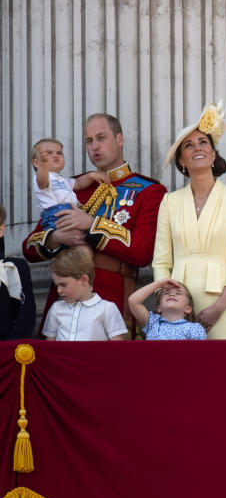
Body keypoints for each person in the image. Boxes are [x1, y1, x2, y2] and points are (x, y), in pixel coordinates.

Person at [23, 113, 167, 335]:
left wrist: (92, 225)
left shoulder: (149, 190)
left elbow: (143, 252)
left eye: (101, 138)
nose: (95, 147)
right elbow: (29, 248)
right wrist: (57, 238)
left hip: (113, 298)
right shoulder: (71, 186)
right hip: (63, 302)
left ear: (120, 139)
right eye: (89, 141)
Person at [152, 101, 226, 340]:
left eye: (203, 142)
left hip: (222, 302)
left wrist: (219, 308)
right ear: (182, 161)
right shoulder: (170, 201)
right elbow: (161, 260)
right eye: (188, 145)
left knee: (223, 372)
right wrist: (167, 304)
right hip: (176, 307)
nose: (197, 148)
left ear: (213, 153)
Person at [42, 246, 127, 341]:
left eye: (63, 284)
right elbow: (50, 344)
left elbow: (117, 347)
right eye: (57, 285)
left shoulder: (107, 309)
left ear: (84, 280)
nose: (59, 290)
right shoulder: (56, 308)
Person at [31, 138, 107, 230]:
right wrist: (43, 166)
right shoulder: (42, 177)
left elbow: (78, 183)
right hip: (55, 215)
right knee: (76, 238)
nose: (55, 156)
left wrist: (91, 175)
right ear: (36, 163)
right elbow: (42, 182)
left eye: (59, 153)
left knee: (83, 239)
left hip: (71, 212)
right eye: (49, 153)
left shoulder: (63, 180)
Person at [128, 278, 206, 340]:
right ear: (159, 308)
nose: (172, 294)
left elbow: (198, 354)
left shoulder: (194, 328)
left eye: (178, 293)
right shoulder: (152, 323)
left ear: (187, 309)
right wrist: (158, 284)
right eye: (167, 293)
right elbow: (133, 301)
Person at [0, 204, 35, 340]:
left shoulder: (14, 267)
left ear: (1, 230)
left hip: (7, 351)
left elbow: (25, 315)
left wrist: (7, 349)